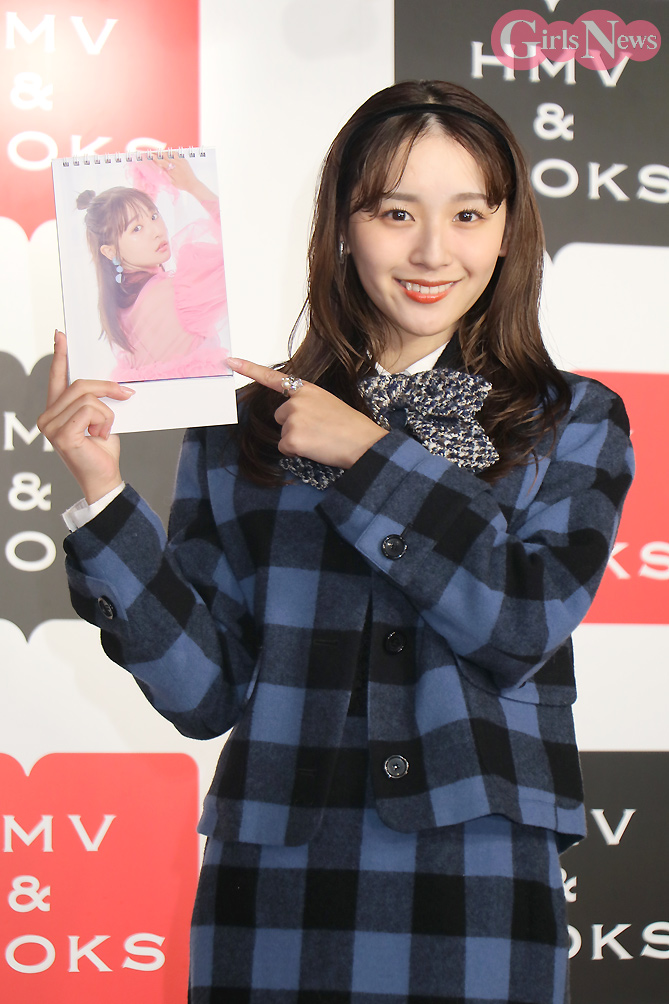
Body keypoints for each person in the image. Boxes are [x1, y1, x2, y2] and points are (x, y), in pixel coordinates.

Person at [39, 80, 634, 1003]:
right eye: (395, 213)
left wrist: (368, 454)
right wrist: (103, 493)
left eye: (467, 214)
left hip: (475, 864)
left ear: (507, 232)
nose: (432, 250)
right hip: (274, 872)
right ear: (343, 230)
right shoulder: (243, 421)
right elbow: (205, 692)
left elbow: (520, 625)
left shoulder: (572, 419)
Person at [77, 156, 229, 382]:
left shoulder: (118, 301)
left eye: (154, 216)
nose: (157, 231)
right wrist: (193, 185)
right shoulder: (180, 291)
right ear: (110, 251)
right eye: (137, 229)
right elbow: (237, 244)